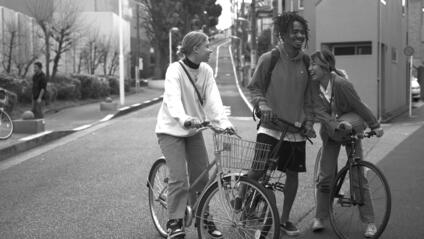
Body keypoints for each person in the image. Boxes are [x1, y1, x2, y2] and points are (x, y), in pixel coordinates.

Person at [155, 31, 234, 239]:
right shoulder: (175, 70)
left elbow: (213, 100)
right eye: (207, 45)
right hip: (171, 130)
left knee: (202, 176)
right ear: (195, 48)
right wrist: (184, 118)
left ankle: (202, 214)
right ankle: (174, 220)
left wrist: (223, 123)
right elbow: (172, 99)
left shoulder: (206, 70)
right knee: (179, 177)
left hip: (193, 129)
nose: (210, 49)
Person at [244, 12, 316, 236]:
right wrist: (263, 106)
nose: (299, 35)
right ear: (283, 34)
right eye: (294, 31)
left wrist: (310, 121)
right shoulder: (270, 58)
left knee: (292, 175)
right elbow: (254, 87)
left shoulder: (306, 61)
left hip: (295, 130)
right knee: (258, 170)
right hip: (270, 128)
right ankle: (242, 194)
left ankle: (284, 219)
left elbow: (310, 98)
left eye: (302, 32)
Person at [308, 49, 384, 238]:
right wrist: (336, 125)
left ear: (326, 66)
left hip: (351, 127)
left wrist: (375, 125)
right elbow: (320, 112)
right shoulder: (313, 85)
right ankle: (320, 216)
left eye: (314, 65)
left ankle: (369, 222)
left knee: (358, 176)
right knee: (325, 176)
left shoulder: (342, 84)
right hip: (331, 131)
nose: (310, 69)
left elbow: (358, 105)